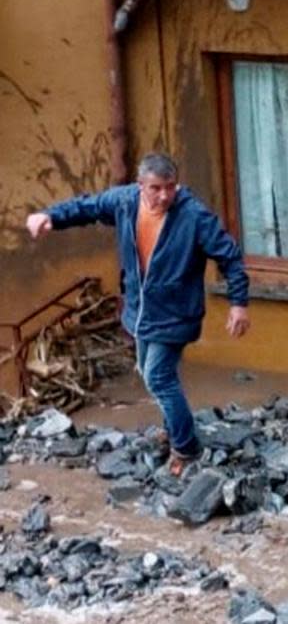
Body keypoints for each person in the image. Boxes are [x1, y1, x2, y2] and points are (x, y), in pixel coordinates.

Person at [25, 153, 250, 477]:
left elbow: (229, 256)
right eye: (156, 188)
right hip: (140, 312)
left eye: (170, 187)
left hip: (176, 315)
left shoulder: (194, 216)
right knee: (149, 372)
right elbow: (88, 207)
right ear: (140, 185)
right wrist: (51, 216)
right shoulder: (125, 202)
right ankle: (174, 428)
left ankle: (186, 448)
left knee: (158, 377)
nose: (164, 195)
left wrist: (239, 303)